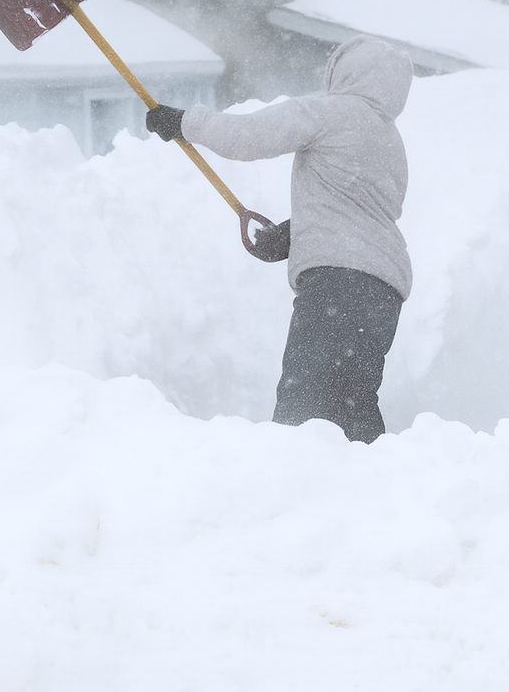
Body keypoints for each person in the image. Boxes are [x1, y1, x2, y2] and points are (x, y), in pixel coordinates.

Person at [146, 35, 414, 444]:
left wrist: (182, 122)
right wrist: (291, 235)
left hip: (338, 287)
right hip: (382, 295)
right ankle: (377, 490)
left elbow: (247, 136)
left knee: (302, 408)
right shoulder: (391, 142)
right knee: (351, 403)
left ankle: (298, 490)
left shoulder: (331, 112)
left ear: (345, 71)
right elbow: (357, 207)